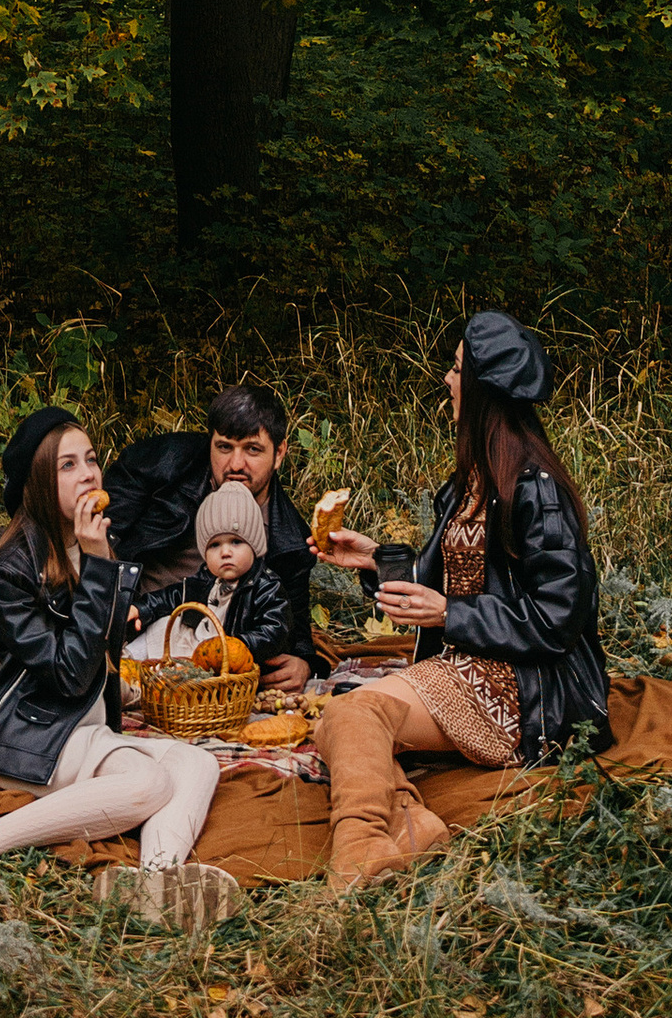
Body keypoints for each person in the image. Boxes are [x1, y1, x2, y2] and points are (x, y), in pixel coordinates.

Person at [0, 407, 237, 924]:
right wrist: (100, 568)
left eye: (91, 459)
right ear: (39, 482)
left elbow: (102, 657)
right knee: (148, 784)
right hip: (22, 736)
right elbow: (68, 673)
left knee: (199, 763)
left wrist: (102, 562)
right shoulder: (8, 571)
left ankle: (156, 885)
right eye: (67, 465)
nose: (88, 474)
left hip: (78, 730)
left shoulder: (98, 547)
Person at [316, 310, 608, 888]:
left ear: (482, 390)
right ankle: (410, 826)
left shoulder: (534, 489)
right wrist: (376, 559)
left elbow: (558, 617)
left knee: (355, 713)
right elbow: (452, 574)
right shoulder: (475, 477)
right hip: (468, 661)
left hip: (525, 688)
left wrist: (451, 613)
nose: (448, 381)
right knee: (339, 718)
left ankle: (358, 852)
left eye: (456, 369)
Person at [105, 380, 317, 690]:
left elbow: (296, 631)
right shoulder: (163, 465)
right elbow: (99, 536)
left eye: (253, 450)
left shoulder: (291, 540)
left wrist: (305, 664)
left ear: (280, 452)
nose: (235, 464)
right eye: (224, 447)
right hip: (133, 625)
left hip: (214, 655)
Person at [124, 483, 278, 664]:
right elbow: (171, 596)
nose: (225, 552)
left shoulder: (265, 586)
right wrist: (142, 608)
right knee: (164, 625)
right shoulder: (206, 579)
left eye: (236, 542)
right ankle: (125, 664)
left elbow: (274, 628)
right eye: (215, 545)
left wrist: (240, 644)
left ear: (254, 546)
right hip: (192, 640)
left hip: (226, 657)